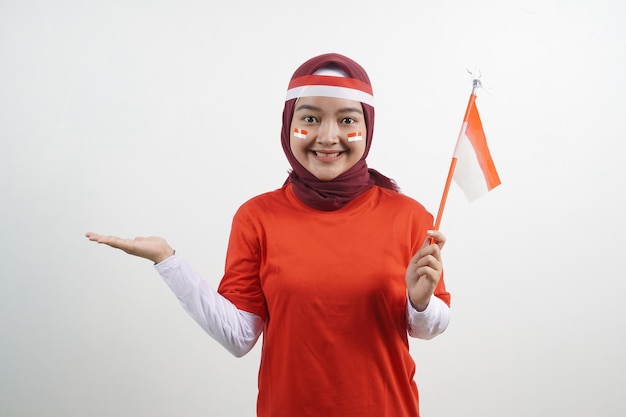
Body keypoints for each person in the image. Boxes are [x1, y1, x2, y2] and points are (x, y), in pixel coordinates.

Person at [86, 52, 451, 417]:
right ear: (287, 124)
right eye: (310, 118)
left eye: (346, 120)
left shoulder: (410, 216)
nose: (327, 136)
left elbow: (430, 327)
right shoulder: (257, 217)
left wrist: (419, 302)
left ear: (367, 126)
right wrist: (168, 261)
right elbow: (239, 337)